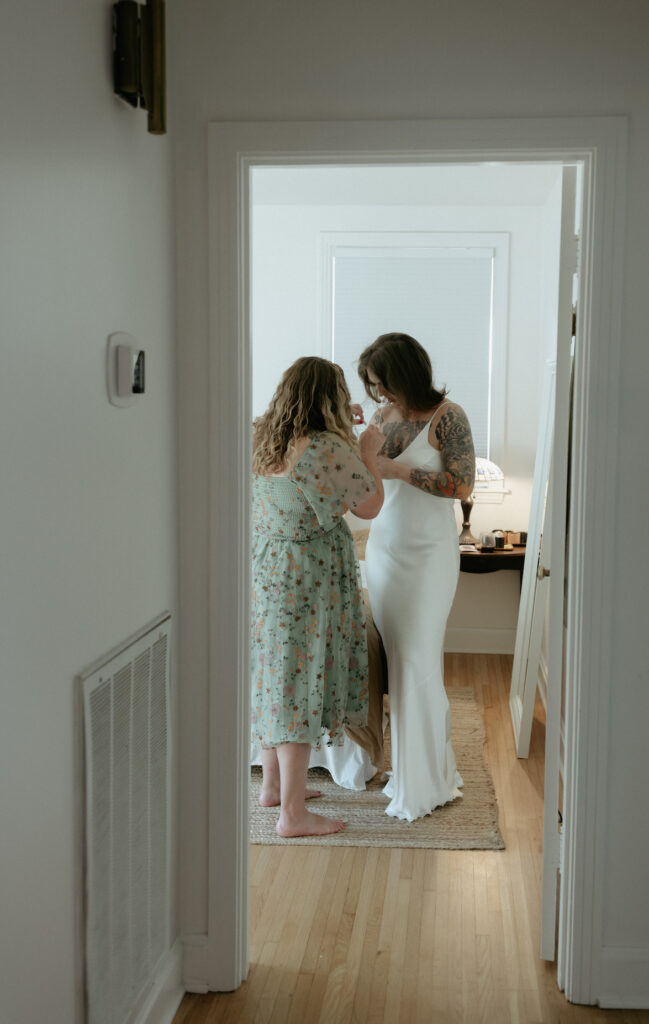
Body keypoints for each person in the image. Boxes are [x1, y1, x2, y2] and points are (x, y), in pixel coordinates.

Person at [251, 356, 385, 837]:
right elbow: (368, 505)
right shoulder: (325, 447)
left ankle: (271, 789)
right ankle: (292, 815)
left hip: (267, 574)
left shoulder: (263, 434)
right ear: (330, 398)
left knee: (275, 678)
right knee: (300, 686)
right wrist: (366, 449)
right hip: (309, 579)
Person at [357, 332, 475, 821]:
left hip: (429, 557)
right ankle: (405, 771)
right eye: (372, 386)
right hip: (385, 552)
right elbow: (365, 480)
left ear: (405, 374)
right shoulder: (383, 418)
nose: (379, 394)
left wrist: (397, 472)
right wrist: (361, 453)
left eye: (382, 383)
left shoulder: (449, 417)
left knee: (417, 660)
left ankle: (424, 780)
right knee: (395, 659)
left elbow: (461, 484)